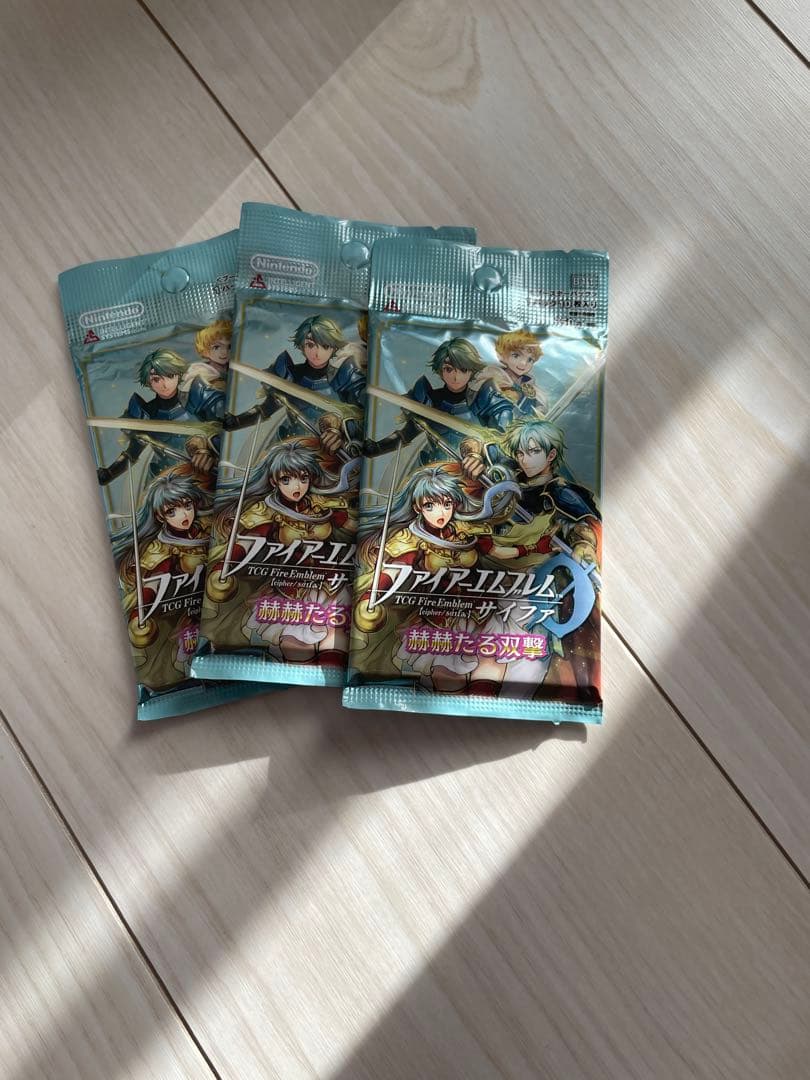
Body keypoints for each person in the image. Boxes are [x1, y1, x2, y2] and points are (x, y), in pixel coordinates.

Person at [354, 466, 552, 696]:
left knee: (490, 673)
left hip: (482, 613)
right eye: (430, 505)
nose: (441, 512)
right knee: (448, 681)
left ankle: (483, 713)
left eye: (447, 504)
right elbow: (393, 572)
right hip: (441, 620)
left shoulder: (464, 531)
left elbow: (497, 552)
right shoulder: (411, 540)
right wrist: (369, 597)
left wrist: (534, 548)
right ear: (418, 507)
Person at [206, 440, 354, 666]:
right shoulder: (266, 512)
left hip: (331, 587)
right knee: (295, 646)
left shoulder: (321, 505)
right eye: (287, 479)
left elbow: (356, 529)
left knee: (336, 641)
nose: (297, 486)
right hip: (290, 592)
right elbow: (243, 545)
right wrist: (220, 569)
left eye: (303, 478)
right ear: (274, 480)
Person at [115, 468, 213, 688]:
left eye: (187, 506)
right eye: (172, 511)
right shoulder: (157, 553)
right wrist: (139, 618)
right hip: (178, 625)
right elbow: (147, 593)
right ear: (160, 516)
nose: (183, 515)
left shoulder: (208, 528)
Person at [223, 314, 365, 456]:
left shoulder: (344, 375)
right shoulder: (289, 375)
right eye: (310, 345)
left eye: (325, 346)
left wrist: (339, 432)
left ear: (333, 348)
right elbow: (266, 409)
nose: (317, 353)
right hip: (290, 448)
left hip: (329, 452)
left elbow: (360, 417)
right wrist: (237, 421)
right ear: (302, 345)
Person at [364, 337, 515, 466]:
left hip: (473, 471)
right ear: (440, 370)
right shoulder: (429, 400)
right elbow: (406, 434)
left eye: (463, 370)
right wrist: (378, 448)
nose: (456, 377)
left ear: (472, 370)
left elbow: (502, 438)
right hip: (434, 470)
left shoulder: (482, 399)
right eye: (449, 369)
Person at [97, 348, 223, 485]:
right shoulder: (145, 414)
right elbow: (132, 453)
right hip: (162, 480)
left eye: (170, 375)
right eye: (156, 379)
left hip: (200, 475)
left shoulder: (197, 398)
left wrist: (207, 452)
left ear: (179, 374)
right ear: (148, 382)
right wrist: (110, 473)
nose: (164, 384)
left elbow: (222, 431)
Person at [490, 329, 548, 416]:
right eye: (516, 355)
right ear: (501, 355)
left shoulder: (532, 388)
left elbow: (542, 408)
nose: (523, 363)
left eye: (530, 360)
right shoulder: (492, 376)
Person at [181, 319, 232, 391]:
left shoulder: (232, 368)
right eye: (216, 347)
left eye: (229, 347)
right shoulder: (201, 373)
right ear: (205, 351)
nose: (224, 352)